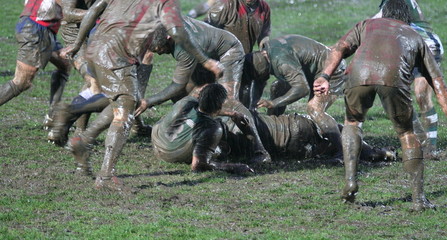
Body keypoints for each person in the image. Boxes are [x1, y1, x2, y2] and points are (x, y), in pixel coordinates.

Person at [60, 0, 224, 192]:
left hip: (96, 49)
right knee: (124, 116)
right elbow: (178, 32)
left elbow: (94, 11)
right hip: (117, 56)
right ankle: (104, 176)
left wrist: (77, 43)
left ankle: (83, 140)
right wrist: (206, 61)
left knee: (125, 102)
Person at [313, 0, 447, 211]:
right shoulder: (414, 36)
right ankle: (419, 200)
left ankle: (350, 182)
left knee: (352, 122)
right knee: (406, 134)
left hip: (359, 74)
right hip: (393, 79)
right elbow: (437, 81)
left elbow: (340, 48)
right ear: (407, 18)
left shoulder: (366, 24)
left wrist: (324, 75)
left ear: (383, 13)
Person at [150, 84, 396, 171]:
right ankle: (372, 152)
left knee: (331, 137)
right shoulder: (213, 130)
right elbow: (199, 165)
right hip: (292, 132)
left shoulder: (186, 110)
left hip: (291, 135)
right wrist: (233, 166)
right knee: (334, 134)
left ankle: (370, 153)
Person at [134, 17, 271, 164]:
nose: (160, 53)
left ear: (169, 38)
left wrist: (148, 102)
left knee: (228, 102)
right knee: (185, 95)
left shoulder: (184, 45)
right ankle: (188, 135)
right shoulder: (164, 23)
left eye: (161, 49)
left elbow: (177, 85)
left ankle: (260, 151)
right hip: (204, 56)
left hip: (227, 52)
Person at [243, 34, 347, 160]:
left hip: (332, 70)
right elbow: (259, 84)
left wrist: (273, 103)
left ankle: (341, 151)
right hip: (310, 70)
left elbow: (302, 88)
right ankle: (272, 132)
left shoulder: (281, 63)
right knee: (278, 88)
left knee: (315, 109)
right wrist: (251, 107)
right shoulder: (266, 51)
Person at [373, 0, 444, 159]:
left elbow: (375, 22)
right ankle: (420, 137)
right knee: (395, 94)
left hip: (426, 44)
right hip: (405, 46)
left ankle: (431, 147)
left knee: (421, 95)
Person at [0, 0, 71, 125]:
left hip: (42, 27)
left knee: (64, 64)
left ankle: (52, 116)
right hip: (36, 28)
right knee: (21, 82)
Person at [205, 0, 271, 54]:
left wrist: (265, 50)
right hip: (221, 57)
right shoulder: (226, 4)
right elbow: (205, 30)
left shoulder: (264, 8)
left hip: (244, 56)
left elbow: (264, 35)